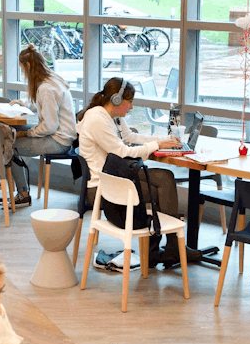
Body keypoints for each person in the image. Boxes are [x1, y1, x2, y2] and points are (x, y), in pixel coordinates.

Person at [75, 77, 185, 266]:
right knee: (163, 182)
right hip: (103, 188)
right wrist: (156, 145)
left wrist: (161, 140)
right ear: (117, 100)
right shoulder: (97, 119)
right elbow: (121, 151)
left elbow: (129, 137)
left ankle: (161, 250)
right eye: (130, 101)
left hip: (116, 178)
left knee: (164, 178)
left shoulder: (110, 116)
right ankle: (169, 249)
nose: (132, 107)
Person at [8, 44, 77, 208]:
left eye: (22, 68)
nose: (23, 72)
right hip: (63, 136)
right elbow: (45, 107)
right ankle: (18, 189)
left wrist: (26, 134)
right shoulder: (51, 79)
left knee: (9, 145)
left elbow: (49, 127)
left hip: (58, 142)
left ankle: (23, 194)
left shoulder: (45, 88)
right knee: (14, 133)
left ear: (29, 66)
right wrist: (23, 102)